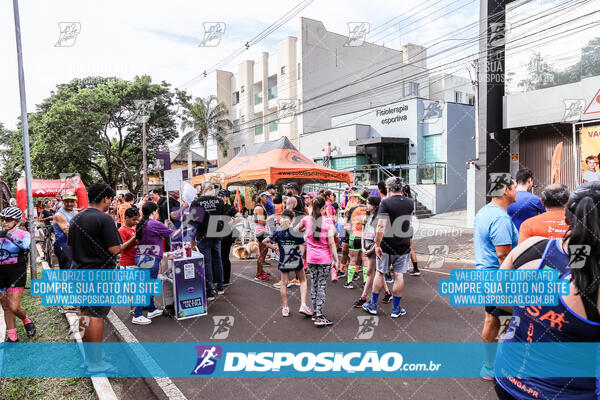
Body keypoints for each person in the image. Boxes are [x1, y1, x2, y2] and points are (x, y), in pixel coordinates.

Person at [494, 181, 600, 399]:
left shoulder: (529, 247)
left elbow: (498, 299)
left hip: (507, 380)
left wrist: (534, 309)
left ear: (567, 217)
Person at [68, 183, 122, 373]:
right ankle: (96, 363)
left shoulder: (76, 218)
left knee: (84, 313)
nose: (111, 203)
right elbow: (115, 249)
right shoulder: (104, 219)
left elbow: (70, 248)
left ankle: (89, 358)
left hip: (78, 272)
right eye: (111, 199)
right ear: (106, 198)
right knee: (97, 316)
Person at [472, 174, 518, 380]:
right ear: (506, 190)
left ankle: (490, 366)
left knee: (492, 319)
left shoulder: (484, 212)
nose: (517, 192)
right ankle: (503, 367)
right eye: (515, 187)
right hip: (498, 278)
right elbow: (503, 255)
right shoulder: (500, 217)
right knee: (508, 322)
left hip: (486, 276)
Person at [363, 177, 414, 318]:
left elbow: (381, 225)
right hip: (403, 244)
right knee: (399, 275)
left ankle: (373, 305)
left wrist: (377, 245)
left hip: (386, 245)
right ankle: (396, 309)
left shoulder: (385, 202)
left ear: (389, 188)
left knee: (380, 273)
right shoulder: (410, 202)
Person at [295, 197, 339, 326]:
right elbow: (331, 243)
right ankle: (319, 315)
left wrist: (304, 230)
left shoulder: (306, 220)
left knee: (314, 284)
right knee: (321, 285)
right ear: (322, 208)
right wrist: (336, 259)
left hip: (311, 259)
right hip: (324, 259)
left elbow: (294, 230)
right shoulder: (327, 222)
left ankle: (315, 312)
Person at [263, 210, 309, 317]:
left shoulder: (278, 233)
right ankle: (303, 304)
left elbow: (265, 241)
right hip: (295, 258)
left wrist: (274, 248)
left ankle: (285, 308)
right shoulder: (296, 233)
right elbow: (303, 245)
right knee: (303, 280)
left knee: (284, 283)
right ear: (292, 219)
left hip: (284, 260)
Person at [133, 201, 172, 325]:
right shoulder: (154, 223)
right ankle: (137, 315)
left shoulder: (141, 223)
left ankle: (151, 309)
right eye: (157, 211)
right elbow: (171, 233)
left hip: (141, 256)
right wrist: (166, 225)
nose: (158, 213)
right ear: (154, 212)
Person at [0, 207, 35, 342]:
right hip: (1, 273)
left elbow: (25, 246)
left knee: (14, 306)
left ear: (17, 221)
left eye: (9, 220)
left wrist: (8, 235)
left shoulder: (23, 234)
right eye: (3, 220)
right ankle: (12, 337)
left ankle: (26, 320)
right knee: (5, 306)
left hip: (16, 272)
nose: (5, 223)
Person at [191, 182, 226, 299]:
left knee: (207, 263)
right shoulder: (220, 201)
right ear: (212, 189)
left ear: (202, 189)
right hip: (216, 233)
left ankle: (209, 291)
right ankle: (220, 286)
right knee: (217, 260)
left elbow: (194, 221)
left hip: (203, 234)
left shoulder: (197, 202)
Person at [353, 196, 381, 308]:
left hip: (374, 246)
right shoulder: (366, 217)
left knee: (370, 271)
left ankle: (364, 297)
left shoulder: (379, 218)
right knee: (378, 272)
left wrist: (371, 249)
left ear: (375, 206)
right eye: (367, 203)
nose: (367, 206)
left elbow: (379, 237)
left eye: (369, 204)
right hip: (367, 245)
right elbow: (363, 234)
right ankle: (388, 293)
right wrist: (363, 248)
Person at [344, 189, 369, 289]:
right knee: (365, 259)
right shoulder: (370, 209)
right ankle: (365, 282)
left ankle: (349, 282)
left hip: (354, 236)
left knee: (353, 259)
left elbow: (347, 225)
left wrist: (346, 236)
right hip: (366, 237)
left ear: (358, 198)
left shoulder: (353, 209)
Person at [217, 189, 241, 287]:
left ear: (227, 197)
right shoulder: (216, 207)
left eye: (222, 196)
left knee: (225, 257)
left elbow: (239, 217)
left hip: (226, 235)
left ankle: (226, 280)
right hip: (215, 234)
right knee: (217, 258)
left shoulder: (229, 208)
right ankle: (218, 279)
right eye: (219, 195)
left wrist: (229, 223)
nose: (220, 197)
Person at [53, 192, 78, 270]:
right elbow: (69, 233)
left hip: (73, 245)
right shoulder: (59, 215)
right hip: (63, 246)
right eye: (67, 201)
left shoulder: (75, 212)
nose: (69, 204)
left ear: (75, 202)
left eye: (71, 201)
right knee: (67, 270)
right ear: (63, 201)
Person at [402, 184, 420, 276]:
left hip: (404, 228)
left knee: (405, 248)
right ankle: (414, 268)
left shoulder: (404, 201)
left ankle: (412, 268)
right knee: (409, 248)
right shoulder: (410, 201)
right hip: (409, 227)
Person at [254, 192, 271, 281]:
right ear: (261, 197)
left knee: (264, 251)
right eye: (266, 197)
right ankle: (258, 274)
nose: (267, 198)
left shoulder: (261, 206)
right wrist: (271, 217)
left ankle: (261, 270)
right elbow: (262, 222)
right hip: (261, 232)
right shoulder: (259, 208)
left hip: (262, 231)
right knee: (262, 253)